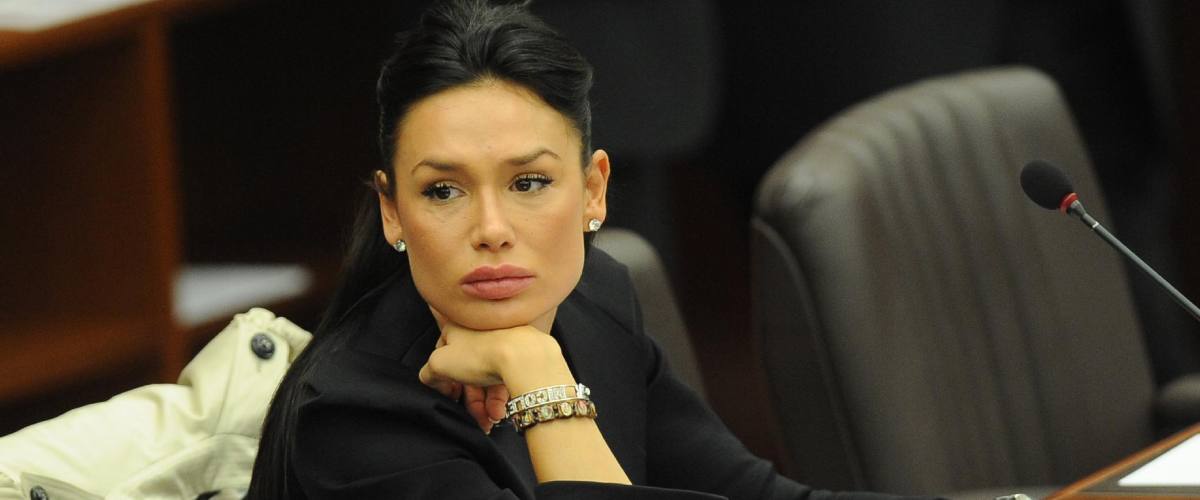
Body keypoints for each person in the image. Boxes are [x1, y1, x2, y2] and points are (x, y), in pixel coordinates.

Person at [247, 1, 938, 498]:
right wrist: (537, 371)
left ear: (593, 192)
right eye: (443, 191)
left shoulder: (594, 299)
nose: (491, 227)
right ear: (392, 212)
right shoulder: (355, 418)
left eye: (528, 182)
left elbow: (755, 493)